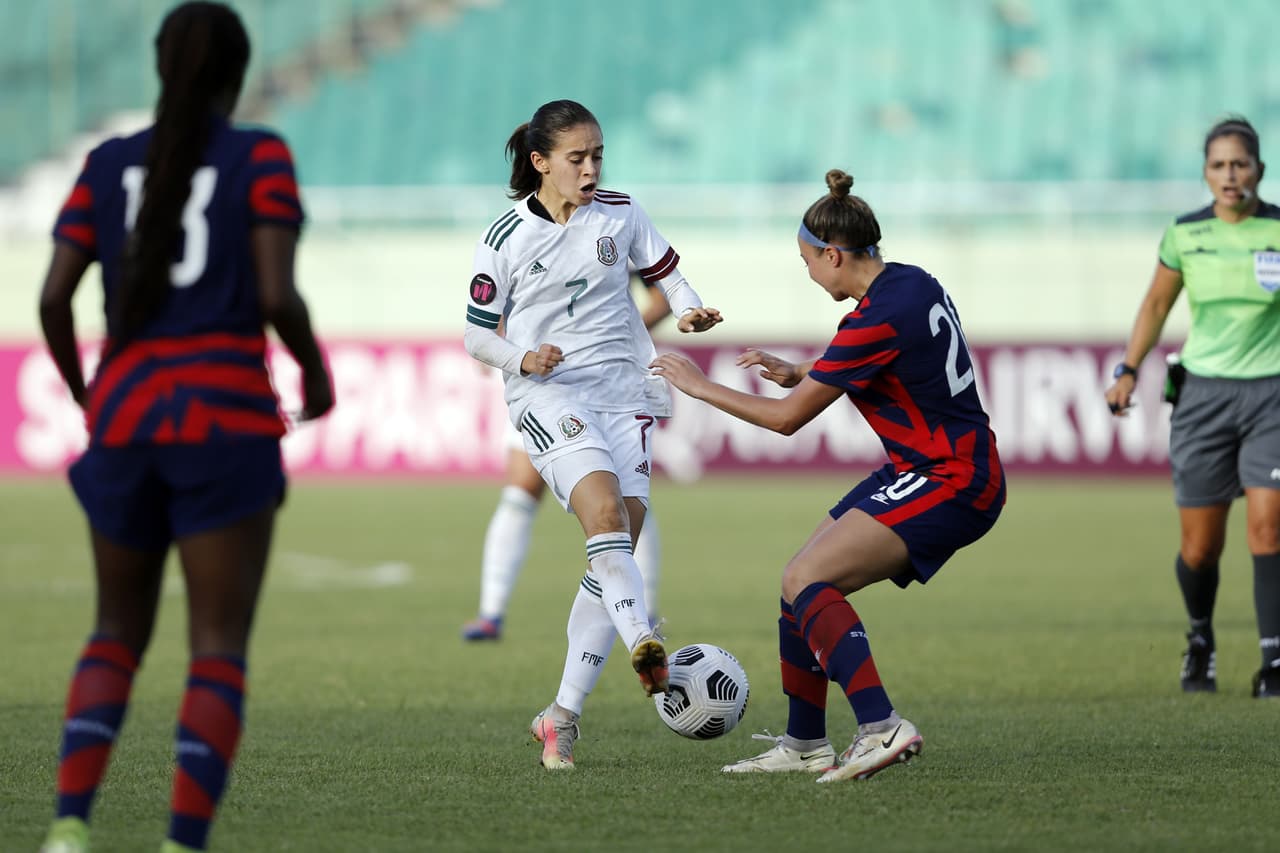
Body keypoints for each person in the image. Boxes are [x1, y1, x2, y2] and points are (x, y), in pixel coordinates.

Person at [36, 3, 333, 851]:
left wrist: (91, 392)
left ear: (161, 70)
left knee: (114, 631)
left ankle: (67, 827)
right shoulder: (259, 155)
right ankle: (181, 841)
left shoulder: (104, 164)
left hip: (125, 414)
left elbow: (53, 299)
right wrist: (314, 371)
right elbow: (276, 296)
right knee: (215, 643)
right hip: (224, 417)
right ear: (236, 77)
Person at [652, 169, 1005, 783]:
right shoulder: (911, 283)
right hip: (932, 466)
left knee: (808, 578)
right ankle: (805, 742)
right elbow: (882, 354)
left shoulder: (870, 319)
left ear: (834, 254)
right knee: (798, 582)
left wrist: (700, 386)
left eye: (807, 261)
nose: (808, 272)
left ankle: (881, 725)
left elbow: (788, 421)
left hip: (952, 479)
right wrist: (805, 370)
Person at [463, 99, 721, 770]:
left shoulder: (620, 211)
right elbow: (474, 332)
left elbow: (665, 273)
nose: (590, 168)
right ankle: (645, 640)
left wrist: (691, 310)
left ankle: (561, 716)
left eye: (597, 155)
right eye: (577, 158)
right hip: (550, 394)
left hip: (625, 394)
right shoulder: (505, 238)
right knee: (604, 514)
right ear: (540, 162)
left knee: (616, 551)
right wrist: (523, 358)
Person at [1104, 115, 1280, 699]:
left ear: (1260, 169)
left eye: (1241, 164)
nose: (1230, 176)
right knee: (1200, 548)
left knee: (1268, 526)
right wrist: (1128, 370)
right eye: (1219, 165)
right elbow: (1155, 307)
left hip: (1272, 394)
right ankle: (1201, 638)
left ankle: (1273, 661)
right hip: (1203, 395)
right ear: (1206, 173)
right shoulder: (1185, 234)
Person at [461, 277, 670, 641]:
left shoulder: (617, 224)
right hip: (540, 382)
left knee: (628, 498)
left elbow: (661, 297)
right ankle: (490, 612)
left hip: (607, 384)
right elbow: (498, 295)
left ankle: (643, 611)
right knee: (520, 494)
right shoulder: (520, 231)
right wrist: (501, 343)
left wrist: (619, 335)